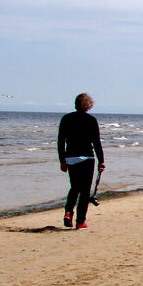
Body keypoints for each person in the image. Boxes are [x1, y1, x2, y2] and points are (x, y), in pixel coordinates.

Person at [57, 92, 105, 229]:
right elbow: (96, 142)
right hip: (87, 158)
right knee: (84, 191)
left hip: (71, 158)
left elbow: (60, 141)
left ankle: (68, 211)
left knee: (75, 187)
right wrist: (101, 161)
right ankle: (80, 221)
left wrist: (62, 160)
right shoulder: (91, 120)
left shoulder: (66, 118)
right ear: (89, 105)